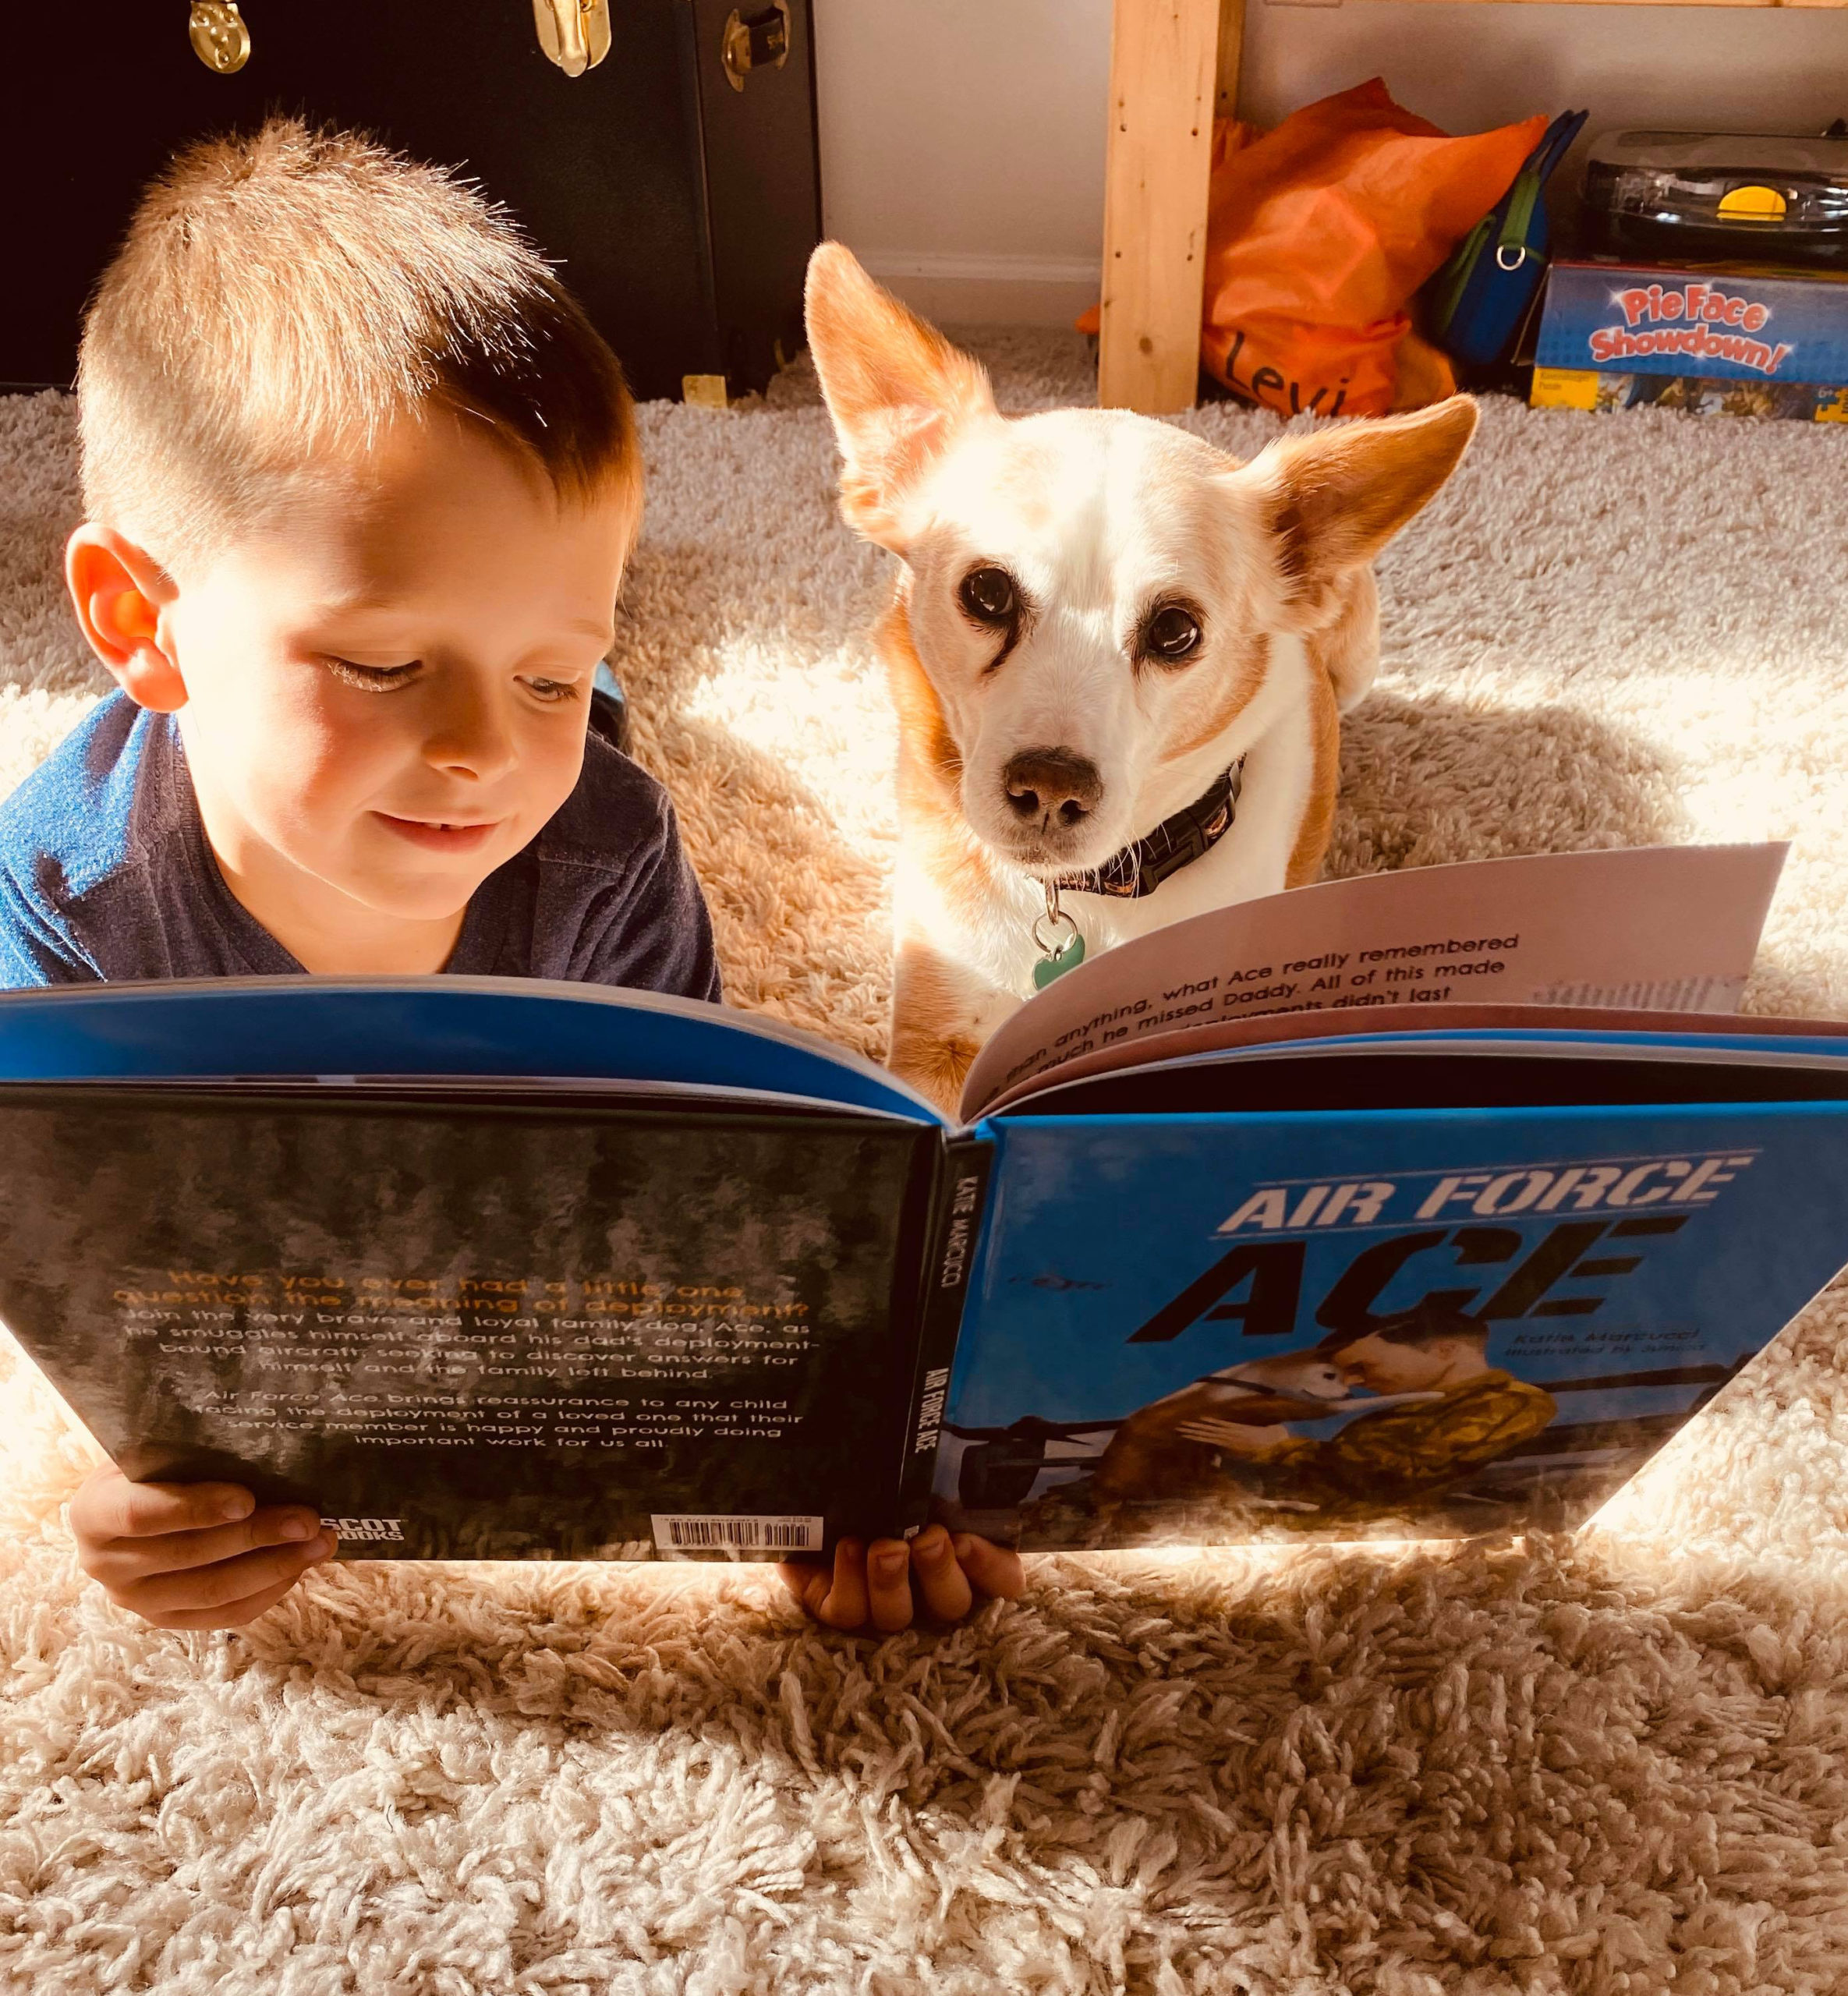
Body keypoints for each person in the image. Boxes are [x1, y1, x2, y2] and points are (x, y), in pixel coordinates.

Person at [2, 117, 1018, 1633]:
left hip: (589, 805)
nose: (479, 748)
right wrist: (144, 1497)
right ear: (140, 621)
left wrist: (821, 1469)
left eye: (547, 670)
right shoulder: (58, 914)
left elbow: (691, 1209)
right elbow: (105, 1294)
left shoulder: (602, 854)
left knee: (590, 753)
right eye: (384, 659)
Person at [1174, 1301, 1558, 1520]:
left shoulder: (1517, 1402)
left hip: (1370, 1534)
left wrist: (1279, 1447)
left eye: (1364, 1367)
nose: (1354, 1381)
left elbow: (1399, 1473)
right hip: (1317, 1518)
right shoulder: (1414, 1407)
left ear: (1445, 1350)